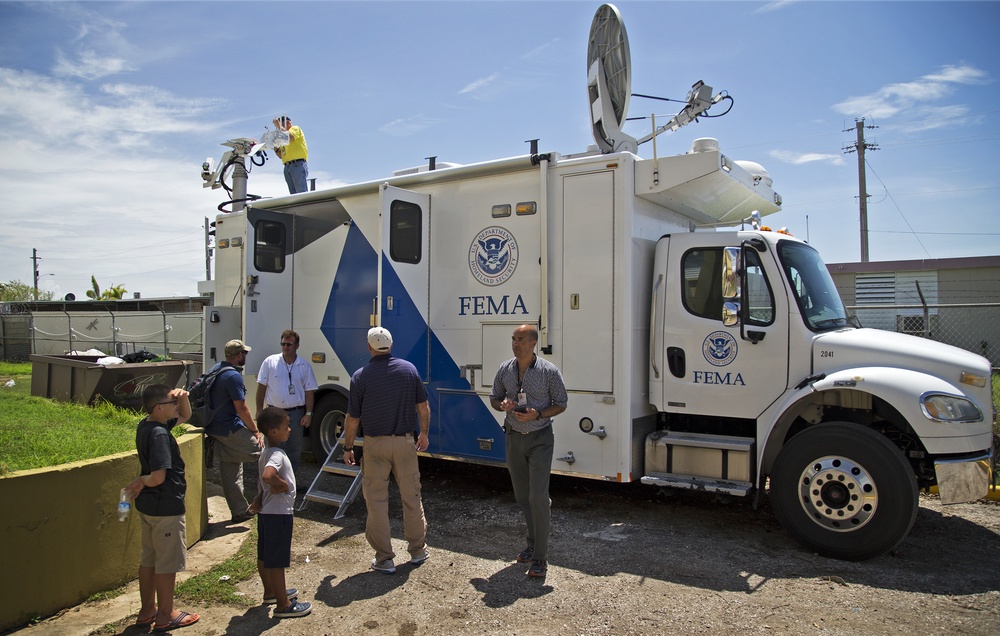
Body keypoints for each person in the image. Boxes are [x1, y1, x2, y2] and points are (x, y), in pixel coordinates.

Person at [342, 326, 430, 574]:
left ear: (369, 347)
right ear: (391, 346)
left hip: (374, 444)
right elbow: (423, 407)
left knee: (377, 501)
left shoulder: (360, 376)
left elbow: (352, 419)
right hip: (404, 442)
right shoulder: (409, 370)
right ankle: (417, 551)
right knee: (411, 497)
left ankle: (384, 558)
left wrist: (348, 447)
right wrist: (423, 434)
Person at [489, 324, 567, 578]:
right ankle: (532, 543)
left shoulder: (548, 372)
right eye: (513, 338)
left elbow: (561, 403)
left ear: (533, 343)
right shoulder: (505, 369)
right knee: (523, 496)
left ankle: (541, 558)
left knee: (539, 498)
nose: (515, 343)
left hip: (540, 438)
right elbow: (494, 397)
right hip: (513, 436)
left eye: (520, 339)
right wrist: (502, 405)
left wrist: (539, 413)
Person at [124, 384, 200, 631]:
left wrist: (183, 397)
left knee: (149, 560)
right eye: (171, 403)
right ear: (158, 408)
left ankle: (147, 611)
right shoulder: (159, 435)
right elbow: (157, 477)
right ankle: (166, 615)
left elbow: (186, 415)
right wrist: (141, 480)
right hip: (165, 508)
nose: (175, 406)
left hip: (149, 508)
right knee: (166, 565)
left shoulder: (149, 425)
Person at [248, 407, 312, 618]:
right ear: (274, 431)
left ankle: (271, 592)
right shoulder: (276, 454)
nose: (290, 430)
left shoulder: (266, 451)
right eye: (286, 427)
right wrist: (282, 485)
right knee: (276, 559)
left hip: (267, 512)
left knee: (265, 554)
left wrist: (259, 497)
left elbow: (261, 481)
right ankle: (283, 605)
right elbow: (267, 476)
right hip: (279, 514)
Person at [204, 339, 264, 522]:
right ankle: (268, 501)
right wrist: (255, 431)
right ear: (239, 355)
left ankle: (239, 511)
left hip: (213, 427)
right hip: (229, 427)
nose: (245, 356)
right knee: (263, 452)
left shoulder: (216, 369)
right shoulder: (233, 376)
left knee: (231, 464)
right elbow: (242, 408)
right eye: (244, 353)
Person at [255, 329, 318, 472]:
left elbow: (309, 392)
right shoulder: (270, 362)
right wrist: (259, 410)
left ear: (297, 346)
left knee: (294, 450)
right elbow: (261, 389)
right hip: (274, 413)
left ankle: (290, 482)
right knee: (272, 448)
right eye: (283, 344)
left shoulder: (304, 366)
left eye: (289, 344)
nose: (285, 347)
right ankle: (270, 481)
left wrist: (308, 414)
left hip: (296, 414)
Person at [272, 115, 309, 194]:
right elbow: (281, 155)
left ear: (288, 123)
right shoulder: (282, 137)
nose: (278, 129)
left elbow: (289, 136)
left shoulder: (295, 128)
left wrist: (278, 125)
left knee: (301, 191)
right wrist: (274, 147)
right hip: (287, 166)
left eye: (281, 125)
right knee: (293, 193)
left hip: (297, 164)